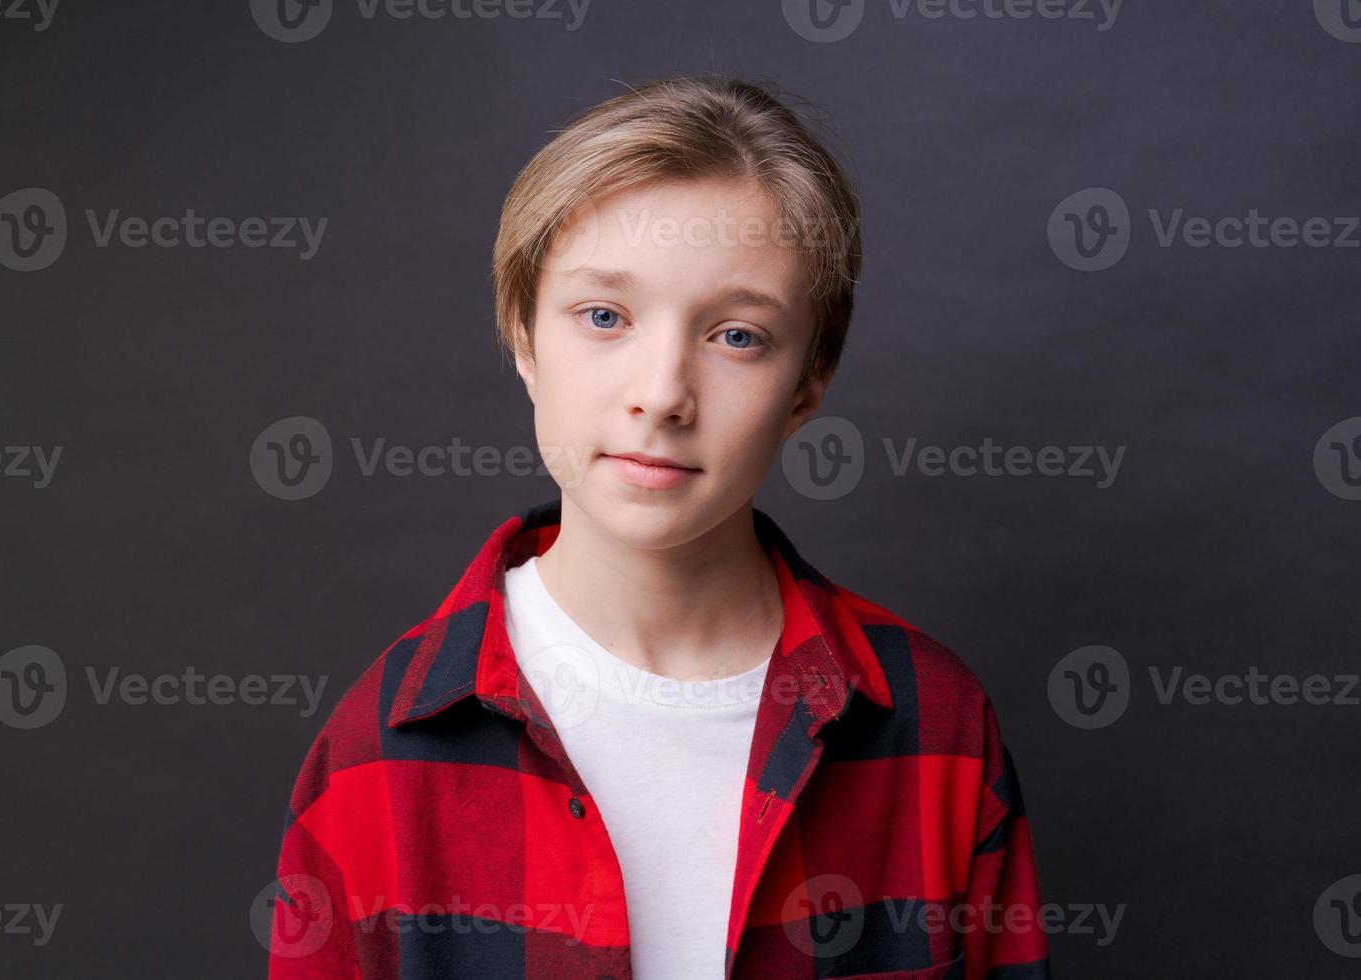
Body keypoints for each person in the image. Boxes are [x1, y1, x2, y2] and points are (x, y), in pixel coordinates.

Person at [267, 73, 1052, 980]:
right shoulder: (377, 754)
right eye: (604, 317)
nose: (663, 394)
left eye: (737, 337)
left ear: (808, 383)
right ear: (524, 336)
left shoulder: (937, 729)